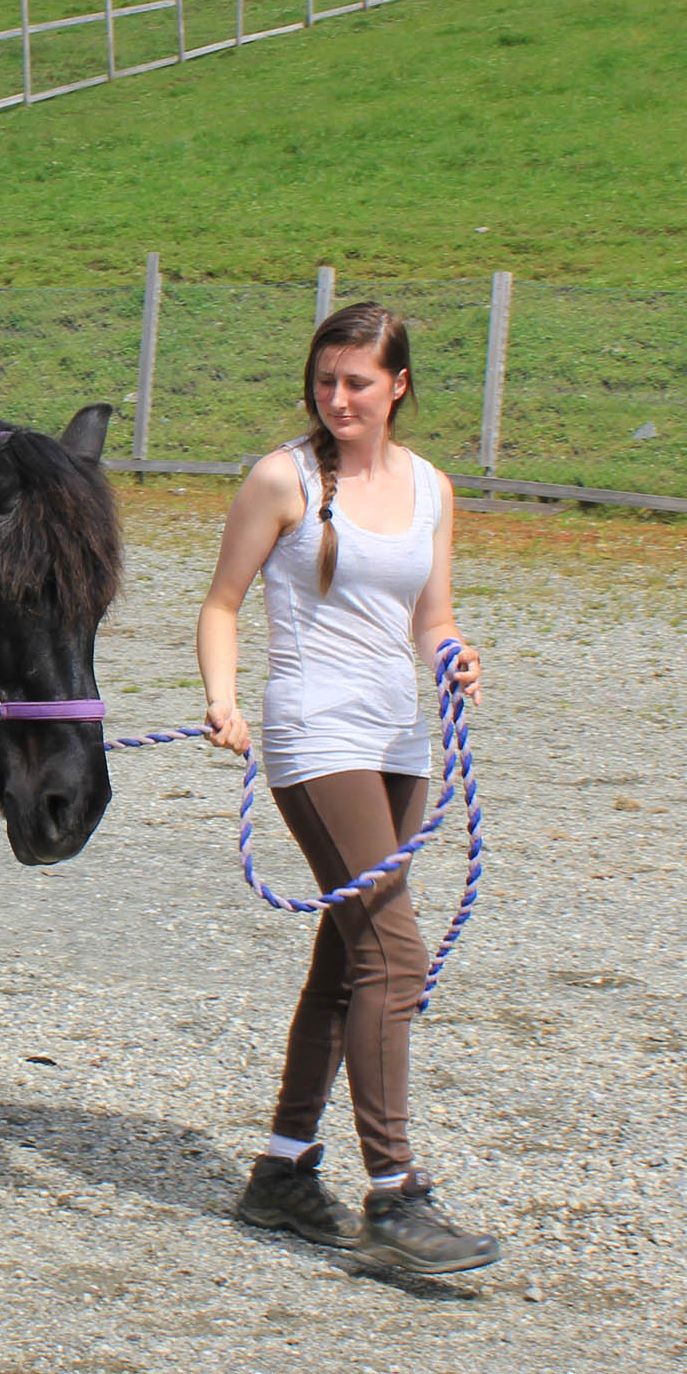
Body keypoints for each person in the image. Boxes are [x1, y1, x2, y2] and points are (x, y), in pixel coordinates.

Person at [193, 301, 504, 1275]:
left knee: (349, 953)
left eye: (357, 383)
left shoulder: (430, 489)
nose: (337, 399)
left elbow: (431, 613)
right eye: (325, 381)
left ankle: (282, 1171)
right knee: (393, 950)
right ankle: (395, 1193)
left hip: (396, 733)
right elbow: (222, 601)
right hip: (313, 728)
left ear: (398, 384)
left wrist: (451, 654)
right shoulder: (282, 477)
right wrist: (224, 699)